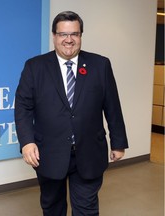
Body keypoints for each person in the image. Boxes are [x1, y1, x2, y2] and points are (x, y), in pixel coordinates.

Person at [14, 11, 128, 216]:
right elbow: (22, 107)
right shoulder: (35, 67)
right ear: (54, 36)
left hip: (89, 151)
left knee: (86, 208)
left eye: (74, 34)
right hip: (48, 153)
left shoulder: (100, 65)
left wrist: (118, 142)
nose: (69, 40)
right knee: (52, 207)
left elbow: (112, 105)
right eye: (63, 34)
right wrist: (26, 142)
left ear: (81, 35)